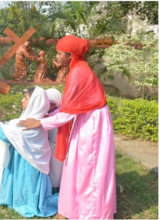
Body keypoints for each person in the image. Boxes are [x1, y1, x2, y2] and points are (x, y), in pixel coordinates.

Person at [18, 35, 116, 219]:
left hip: (93, 124)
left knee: (90, 166)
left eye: (59, 53)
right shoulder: (77, 69)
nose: (56, 56)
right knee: (77, 164)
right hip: (87, 119)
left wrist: (41, 122)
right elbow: (71, 107)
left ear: (69, 55)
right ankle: (71, 209)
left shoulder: (79, 72)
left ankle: (92, 213)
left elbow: (68, 111)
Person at [0, 86, 59, 218]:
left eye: (26, 98)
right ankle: (20, 198)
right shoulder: (34, 120)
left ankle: (26, 200)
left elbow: (4, 134)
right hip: (25, 162)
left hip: (29, 165)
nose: (22, 100)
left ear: (34, 102)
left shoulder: (31, 124)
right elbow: (10, 129)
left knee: (27, 183)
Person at [45, 88, 64, 192]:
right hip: (54, 146)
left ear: (54, 104)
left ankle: (54, 189)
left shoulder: (57, 117)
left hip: (56, 147)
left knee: (55, 170)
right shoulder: (56, 114)